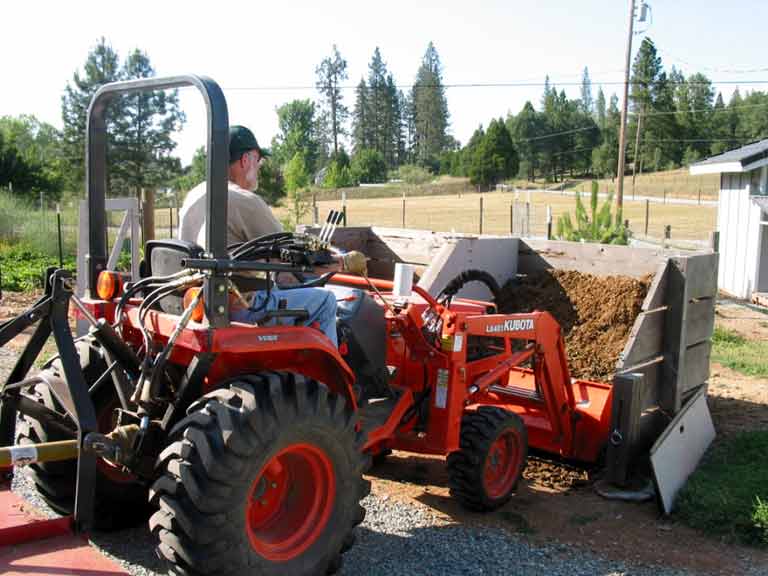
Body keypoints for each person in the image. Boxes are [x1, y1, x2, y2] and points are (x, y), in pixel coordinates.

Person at [177, 125, 366, 347]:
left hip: (201, 300)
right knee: (326, 301)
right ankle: (328, 380)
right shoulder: (242, 199)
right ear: (246, 159)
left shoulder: (195, 194)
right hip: (240, 307)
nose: (259, 168)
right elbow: (296, 252)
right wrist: (343, 262)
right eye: (258, 161)